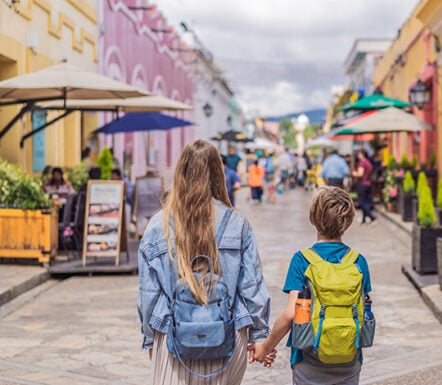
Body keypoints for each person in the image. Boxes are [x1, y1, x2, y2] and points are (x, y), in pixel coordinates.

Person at [137, 140, 273, 385]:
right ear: (218, 174)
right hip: (228, 335)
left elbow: (149, 293)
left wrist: (149, 338)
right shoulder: (236, 223)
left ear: (180, 173)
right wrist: (259, 335)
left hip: (173, 335)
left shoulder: (157, 225)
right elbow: (252, 286)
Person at [251, 186, 373, 385]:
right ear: (348, 221)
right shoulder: (358, 262)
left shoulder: (302, 260)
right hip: (349, 359)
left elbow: (291, 314)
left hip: (308, 360)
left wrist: (266, 347)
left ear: (313, 219)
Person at [352, 150, 376, 224]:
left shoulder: (362, 163)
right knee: (367, 201)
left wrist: (354, 173)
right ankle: (364, 218)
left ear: (362, 155)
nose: (358, 155)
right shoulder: (368, 162)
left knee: (362, 202)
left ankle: (371, 216)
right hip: (368, 183)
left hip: (362, 184)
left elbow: (360, 174)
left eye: (359, 154)